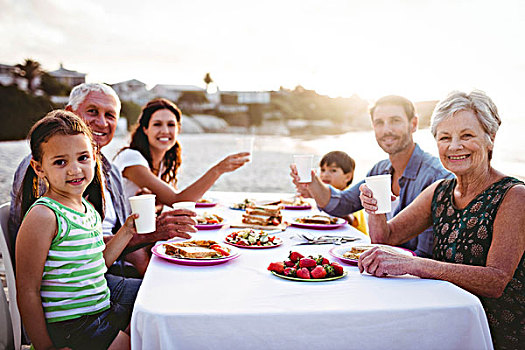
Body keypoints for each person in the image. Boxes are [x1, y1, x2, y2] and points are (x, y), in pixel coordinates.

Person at [358, 90, 524, 349]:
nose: (454, 146)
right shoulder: (439, 191)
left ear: (490, 138)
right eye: (444, 138)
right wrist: (374, 208)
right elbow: (383, 238)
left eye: (467, 135)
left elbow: (495, 281)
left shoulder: (514, 196)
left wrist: (413, 265)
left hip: (496, 334)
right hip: (445, 322)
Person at [9, 83, 196, 277]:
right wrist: (149, 235)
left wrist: (150, 232)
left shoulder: (109, 169)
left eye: (110, 115)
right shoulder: (47, 169)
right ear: (69, 113)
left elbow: (122, 236)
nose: (102, 122)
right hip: (75, 284)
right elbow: (67, 252)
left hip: (111, 265)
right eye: (92, 112)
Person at [16, 110, 140, 349]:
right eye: (60, 162)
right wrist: (46, 347)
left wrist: (126, 231)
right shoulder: (44, 215)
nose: (74, 169)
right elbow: (27, 290)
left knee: (152, 320)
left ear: (95, 157)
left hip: (100, 311)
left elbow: (98, 265)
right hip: (72, 326)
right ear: (39, 168)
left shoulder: (87, 209)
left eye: (82, 158)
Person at [291, 95, 452, 257]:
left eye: (395, 120)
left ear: (413, 124)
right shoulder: (380, 170)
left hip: (415, 274)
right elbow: (342, 203)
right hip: (383, 265)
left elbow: (426, 254)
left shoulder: (436, 177)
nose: (386, 130)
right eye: (379, 123)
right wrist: (311, 181)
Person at [113, 98, 249, 205]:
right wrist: (218, 170)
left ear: (178, 129)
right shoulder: (131, 158)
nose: (165, 131)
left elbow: (166, 202)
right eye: (157, 124)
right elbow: (177, 201)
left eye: (171, 125)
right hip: (116, 235)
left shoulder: (163, 162)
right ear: (145, 129)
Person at [318, 151, 367, 234]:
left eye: (333, 170)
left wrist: (327, 204)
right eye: (323, 170)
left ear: (348, 177)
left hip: (355, 241)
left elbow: (351, 219)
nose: (325, 175)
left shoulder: (351, 197)